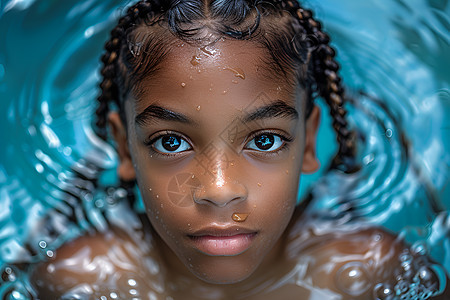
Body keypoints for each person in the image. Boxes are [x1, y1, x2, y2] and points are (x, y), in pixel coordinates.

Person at [30, 0, 448, 299]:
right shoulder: (81, 279)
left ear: (307, 142)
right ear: (124, 148)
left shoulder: (371, 271)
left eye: (265, 140)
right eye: (170, 142)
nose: (219, 189)